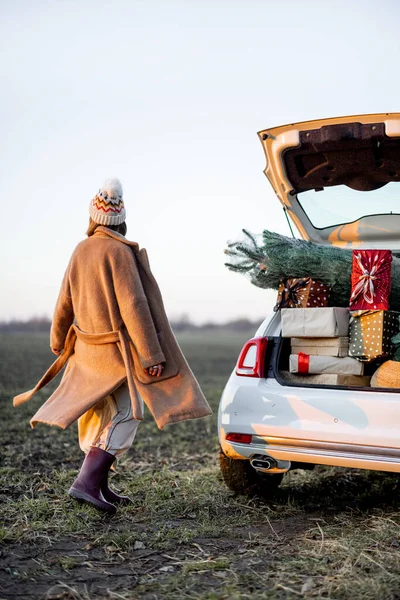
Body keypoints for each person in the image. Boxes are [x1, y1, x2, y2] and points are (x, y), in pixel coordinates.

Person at [14, 178, 212, 514]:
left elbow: (65, 300)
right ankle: (86, 483)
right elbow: (135, 306)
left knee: (103, 414)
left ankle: (101, 486)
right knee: (126, 414)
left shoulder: (81, 249)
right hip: (116, 355)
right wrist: (151, 355)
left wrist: (57, 339)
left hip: (87, 353)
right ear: (120, 219)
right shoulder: (119, 252)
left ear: (94, 217)